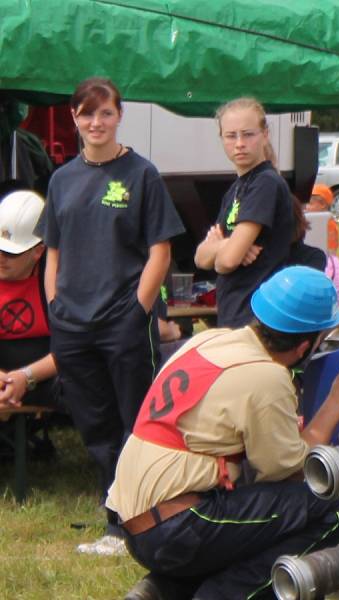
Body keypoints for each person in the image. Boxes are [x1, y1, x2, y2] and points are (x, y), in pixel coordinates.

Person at [111, 266, 339, 600]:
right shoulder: (267, 377)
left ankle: (164, 591)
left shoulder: (211, 340)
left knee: (259, 521)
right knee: (335, 501)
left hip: (136, 522)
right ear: (306, 346)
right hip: (178, 526)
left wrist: (334, 319)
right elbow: (291, 471)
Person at [37, 77, 185, 555]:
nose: (95, 122)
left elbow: (160, 252)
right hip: (72, 324)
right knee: (95, 426)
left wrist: (136, 310)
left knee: (135, 420)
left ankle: (145, 521)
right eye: (86, 113)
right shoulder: (62, 179)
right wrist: (55, 308)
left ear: (119, 116)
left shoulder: (142, 174)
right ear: (75, 119)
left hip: (123, 320)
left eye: (104, 113)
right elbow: (51, 252)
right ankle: (115, 524)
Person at [194, 98, 294, 328]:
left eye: (248, 134)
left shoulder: (265, 183)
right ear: (221, 139)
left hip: (256, 317)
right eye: (231, 136)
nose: (239, 143)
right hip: (233, 313)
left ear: (265, 134)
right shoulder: (236, 189)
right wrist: (228, 245)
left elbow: (226, 263)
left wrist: (224, 250)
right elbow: (200, 257)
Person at [0, 190, 57, 409]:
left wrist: (25, 377)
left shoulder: (56, 281)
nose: (1, 258)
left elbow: (74, 349)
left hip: (45, 377)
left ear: (38, 252)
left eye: (11, 253)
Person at [305, 184, 339, 302]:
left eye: (310, 204)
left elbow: (330, 250)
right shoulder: (317, 221)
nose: (306, 207)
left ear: (322, 205)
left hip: (326, 265)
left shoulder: (327, 224)